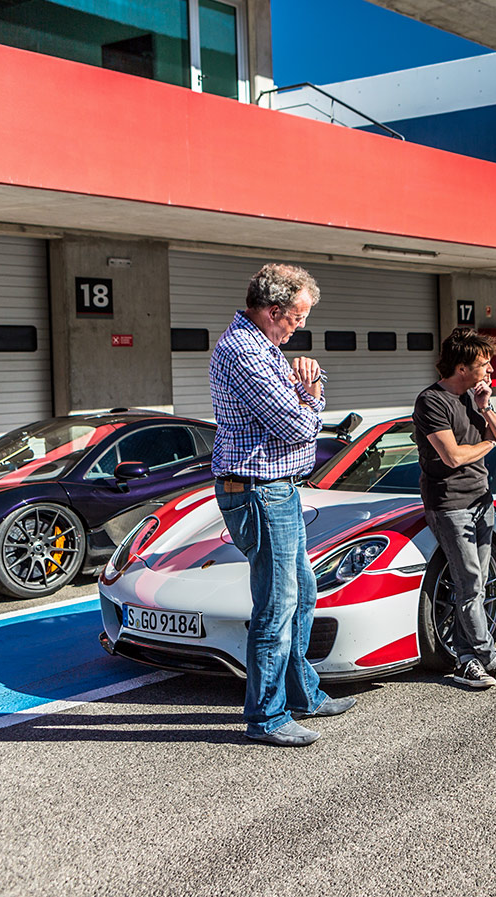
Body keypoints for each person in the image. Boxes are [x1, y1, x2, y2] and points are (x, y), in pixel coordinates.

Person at [210, 263, 355, 747]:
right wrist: (311, 395)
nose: (300, 327)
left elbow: (298, 401)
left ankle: (302, 693)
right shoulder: (244, 351)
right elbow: (295, 425)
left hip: (277, 487)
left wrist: (307, 380)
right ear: (273, 311)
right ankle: (266, 717)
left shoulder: (266, 349)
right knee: (277, 604)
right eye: (296, 317)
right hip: (258, 489)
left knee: (303, 593)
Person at [413, 327, 496, 688]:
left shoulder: (472, 399)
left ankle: (467, 661)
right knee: (469, 584)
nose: (490, 371)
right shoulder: (432, 401)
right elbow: (452, 458)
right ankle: (491, 659)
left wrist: (487, 409)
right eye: (484, 364)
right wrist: (487, 445)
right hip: (450, 505)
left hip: (481, 501)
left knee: (476, 584)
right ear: (462, 367)